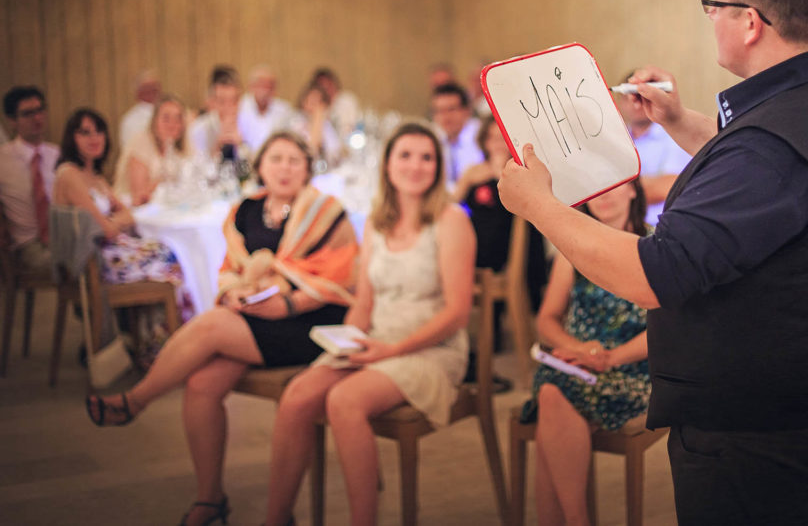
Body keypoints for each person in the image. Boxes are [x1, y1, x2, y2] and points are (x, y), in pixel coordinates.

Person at [498, 0, 808, 525]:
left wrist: (541, 206)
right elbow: (761, 177)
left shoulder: (771, 145)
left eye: (713, 2)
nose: (710, 14)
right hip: (797, 394)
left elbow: (655, 273)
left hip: (749, 426)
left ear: (750, 20)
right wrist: (679, 120)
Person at [83, 131, 358, 526]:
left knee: (211, 326)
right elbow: (230, 270)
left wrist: (286, 303)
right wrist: (233, 294)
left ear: (308, 169)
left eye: (294, 160)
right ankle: (210, 500)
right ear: (260, 166)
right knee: (201, 384)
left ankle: (136, 401)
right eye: (276, 158)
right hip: (256, 316)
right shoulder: (245, 210)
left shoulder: (327, 212)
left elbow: (342, 276)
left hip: (311, 320)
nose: (284, 168)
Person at [262, 122, 475, 526]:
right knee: (297, 395)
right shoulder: (376, 222)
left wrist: (391, 351)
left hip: (431, 347)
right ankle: (276, 518)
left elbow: (458, 314)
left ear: (438, 166)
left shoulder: (451, 221)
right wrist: (348, 342)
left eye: (426, 157)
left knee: (344, 401)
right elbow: (364, 300)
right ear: (388, 164)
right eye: (405, 156)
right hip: (376, 338)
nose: (416, 166)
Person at [521, 179, 651, 526]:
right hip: (578, 361)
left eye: (612, 185)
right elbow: (546, 320)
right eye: (593, 189)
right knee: (553, 387)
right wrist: (578, 348)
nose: (603, 195)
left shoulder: (654, 246)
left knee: (552, 395)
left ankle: (577, 519)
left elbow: (668, 328)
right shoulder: (574, 247)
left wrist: (611, 357)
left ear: (633, 190)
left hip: (633, 368)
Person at [53, 108, 195, 361]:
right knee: (172, 261)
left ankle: (154, 343)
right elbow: (106, 228)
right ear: (71, 138)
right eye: (85, 132)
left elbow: (125, 212)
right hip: (92, 264)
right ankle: (161, 349)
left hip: (109, 252)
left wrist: (121, 215)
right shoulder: (69, 175)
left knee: (169, 254)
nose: (94, 138)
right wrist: (119, 218)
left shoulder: (94, 176)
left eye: (98, 132)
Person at [455, 115, 546, 310]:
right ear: (484, 141)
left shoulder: (524, 171)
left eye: (501, 138)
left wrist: (498, 175)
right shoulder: (474, 172)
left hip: (513, 242)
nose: (496, 144)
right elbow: (453, 202)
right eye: (491, 138)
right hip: (478, 242)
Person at [614, 70, 692, 226]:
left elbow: (671, 187)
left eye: (639, 95)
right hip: (620, 231)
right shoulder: (615, 140)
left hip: (661, 229)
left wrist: (617, 188)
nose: (635, 103)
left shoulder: (674, 136)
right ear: (620, 102)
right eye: (628, 96)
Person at [0, 86, 59, 275]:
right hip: (28, 245)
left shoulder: (57, 154)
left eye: (40, 110)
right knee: (82, 265)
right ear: (12, 120)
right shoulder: (3, 159)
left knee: (106, 258)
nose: (37, 118)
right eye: (28, 114)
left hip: (62, 237)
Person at [113, 94, 190, 206]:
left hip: (161, 207)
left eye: (178, 118)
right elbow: (139, 195)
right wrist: (164, 181)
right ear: (155, 121)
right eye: (166, 118)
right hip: (130, 210)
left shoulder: (177, 148)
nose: (173, 124)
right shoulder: (140, 143)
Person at [431, 82, 483, 189]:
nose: (445, 117)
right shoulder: (432, 138)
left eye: (451, 109)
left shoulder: (482, 135)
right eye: (440, 111)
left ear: (467, 111)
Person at [188, 65, 246, 160]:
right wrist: (218, 147)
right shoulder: (200, 128)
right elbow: (197, 167)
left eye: (234, 101)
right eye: (222, 101)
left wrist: (241, 146)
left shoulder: (248, 124)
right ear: (212, 102)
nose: (229, 107)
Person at [238, 65, 295, 153]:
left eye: (269, 86)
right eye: (261, 85)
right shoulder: (240, 106)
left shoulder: (284, 110)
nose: (265, 90)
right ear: (251, 86)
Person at [289, 83, 341, 168]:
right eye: (312, 101)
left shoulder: (327, 125)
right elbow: (311, 152)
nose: (316, 106)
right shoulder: (295, 122)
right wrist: (318, 119)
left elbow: (335, 153)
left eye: (319, 102)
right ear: (303, 103)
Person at [119, 69, 162, 150]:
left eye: (155, 87)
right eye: (147, 88)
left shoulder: (167, 111)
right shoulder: (130, 120)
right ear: (138, 93)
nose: (152, 92)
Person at [311, 67, 359, 138]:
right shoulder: (320, 107)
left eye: (328, 85)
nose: (326, 89)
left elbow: (352, 125)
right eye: (322, 86)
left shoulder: (346, 100)